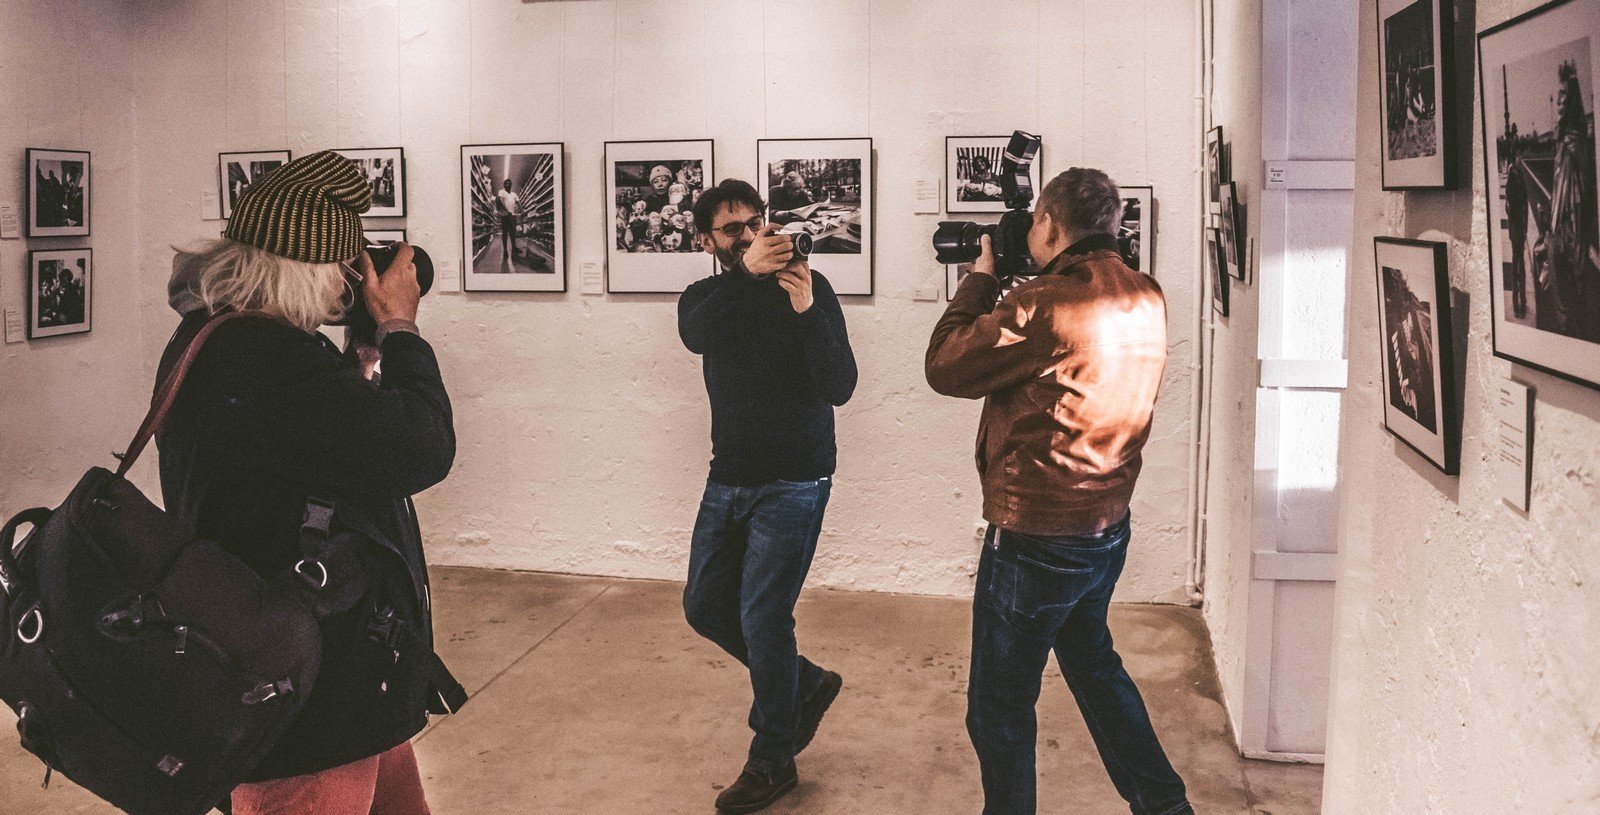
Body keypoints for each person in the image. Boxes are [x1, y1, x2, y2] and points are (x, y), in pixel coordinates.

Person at [157, 150, 459, 815]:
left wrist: (359, 362)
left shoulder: (217, 338)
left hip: (319, 663)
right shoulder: (268, 361)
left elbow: (315, 449)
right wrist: (400, 326)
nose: (349, 286)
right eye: (343, 267)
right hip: (302, 688)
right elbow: (423, 446)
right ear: (308, 266)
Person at [925, 167, 1193, 815]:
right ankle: (1166, 806)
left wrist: (981, 278)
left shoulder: (1043, 303)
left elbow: (945, 365)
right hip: (1105, 524)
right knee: (1093, 667)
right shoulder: (1146, 293)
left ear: (1046, 222)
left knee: (998, 707)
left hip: (1036, 533)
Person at [677, 179, 857, 813]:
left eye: (757, 223)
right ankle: (804, 683)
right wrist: (747, 277)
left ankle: (773, 757)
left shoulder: (809, 286)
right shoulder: (706, 297)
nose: (752, 235)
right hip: (729, 475)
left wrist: (807, 312)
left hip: (796, 479)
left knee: (763, 617)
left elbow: (840, 385)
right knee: (704, 607)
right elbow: (698, 335)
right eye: (734, 229)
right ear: (707, 242)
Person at [496, 177, 521, 266]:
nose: (508, 184)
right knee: (505, 233)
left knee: (513, 234)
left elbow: (519, 203)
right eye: (506, 183)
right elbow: (500, 201)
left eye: (509, 183)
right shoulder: (501, 192)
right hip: (505, 216)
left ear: (511, 185)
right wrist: (507, 211)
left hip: (513, 216)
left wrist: (522, 211)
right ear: (504, 185)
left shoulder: (514, 194)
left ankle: (513, 250)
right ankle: (505, 250)